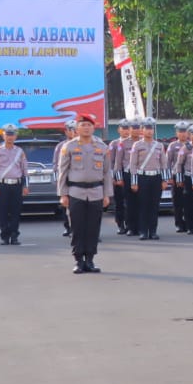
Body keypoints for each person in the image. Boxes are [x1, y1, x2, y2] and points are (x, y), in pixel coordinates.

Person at [57, 112, 112, 273]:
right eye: (83, 125)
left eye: (89, 125)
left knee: (93, 228)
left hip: (96, 191)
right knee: (77, 227)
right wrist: (63, 194)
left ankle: (90, 260)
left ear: (93, 128)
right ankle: (78, 260)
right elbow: (62, 171)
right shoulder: (69, 146)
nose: (86, 128)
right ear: (77, 128)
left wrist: (107, 194)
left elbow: (107, 172)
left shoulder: (102, 147)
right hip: (76, 192)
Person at [127, 118, 167, 240]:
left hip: (156, 177)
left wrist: (164, 180)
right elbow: (133, 164)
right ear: (142, 130)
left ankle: (153, 231)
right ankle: (143, 231)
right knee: (143, 205)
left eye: (151, 129)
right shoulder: (137, 145)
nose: (149, 131)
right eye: (147, 129)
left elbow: (163, 164)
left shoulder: (159, 145)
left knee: (154, 206)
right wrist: (134, 182)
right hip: (142, 177)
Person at [0, 124, 29, 245]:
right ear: (3, 135)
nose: (10, 137)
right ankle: (5, 236)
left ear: (15, 136)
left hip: (16, 185)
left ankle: (14, 235)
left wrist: (26, 186)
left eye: (12, 135)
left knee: (15, 211)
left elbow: (25, 170)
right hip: (2, 186)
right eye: (7, 135)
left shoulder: (20, 151)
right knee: (2, 211)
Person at [110, 119, 133, 235]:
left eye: (128, 128)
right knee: (119, 203)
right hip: (119, 175)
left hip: (131, 175)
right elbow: (112, 162)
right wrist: (116, 178)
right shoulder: (114, 144)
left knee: (130, 202)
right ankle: (120, 224)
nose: (126, 131)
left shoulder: (134, 142)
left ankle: (130, 225)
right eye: (124, 128)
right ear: (119, 130)